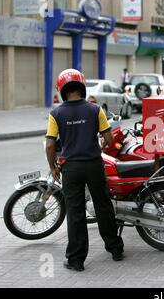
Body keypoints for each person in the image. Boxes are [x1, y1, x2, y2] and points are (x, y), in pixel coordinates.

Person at [45, 69, 124, 272]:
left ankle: (76, 260)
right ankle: (115, 249)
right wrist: (98, 145)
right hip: (94, 165)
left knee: (75, 212)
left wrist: (53, 166)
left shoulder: (56, 113)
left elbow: (49, 145)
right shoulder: (95, 109)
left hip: (70, 169)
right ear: (82, 86)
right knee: (103, 206)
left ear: (62, 90)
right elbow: (108, 138)